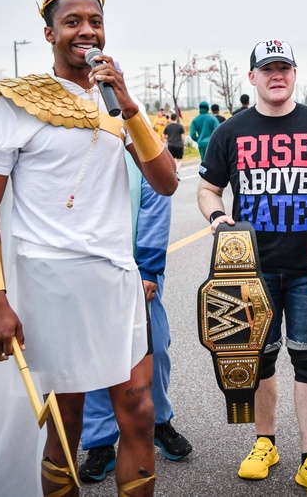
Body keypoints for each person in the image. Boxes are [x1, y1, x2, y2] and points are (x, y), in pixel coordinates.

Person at [0, 0, 179, 497]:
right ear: (49, 34)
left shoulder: (117, 105)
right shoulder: (18, 104)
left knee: (138, 412)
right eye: (72, 22)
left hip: (116, 280)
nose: (86, 32)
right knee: (64, 419)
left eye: (94, 22)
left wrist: (130, 106)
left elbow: (165, 182)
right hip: (50, 280)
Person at [197, 38, 307, 497]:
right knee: (259, 358)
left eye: (284, 67)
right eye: (267, 68)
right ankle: (264, 443)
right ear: (252, 77)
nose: (277, 75)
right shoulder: (231, 132)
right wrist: (216, 215)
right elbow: (207, 189)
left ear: (294, 73)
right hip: (250, 268)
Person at [78, 159, 193, 484]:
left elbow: (158, 198)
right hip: (86, 271)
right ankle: (100, 443)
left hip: (136, 269)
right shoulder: (73, 134)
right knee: (94, 357)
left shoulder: (133, 136)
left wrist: (148, 267)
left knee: (153, 348)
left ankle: (158, 421)